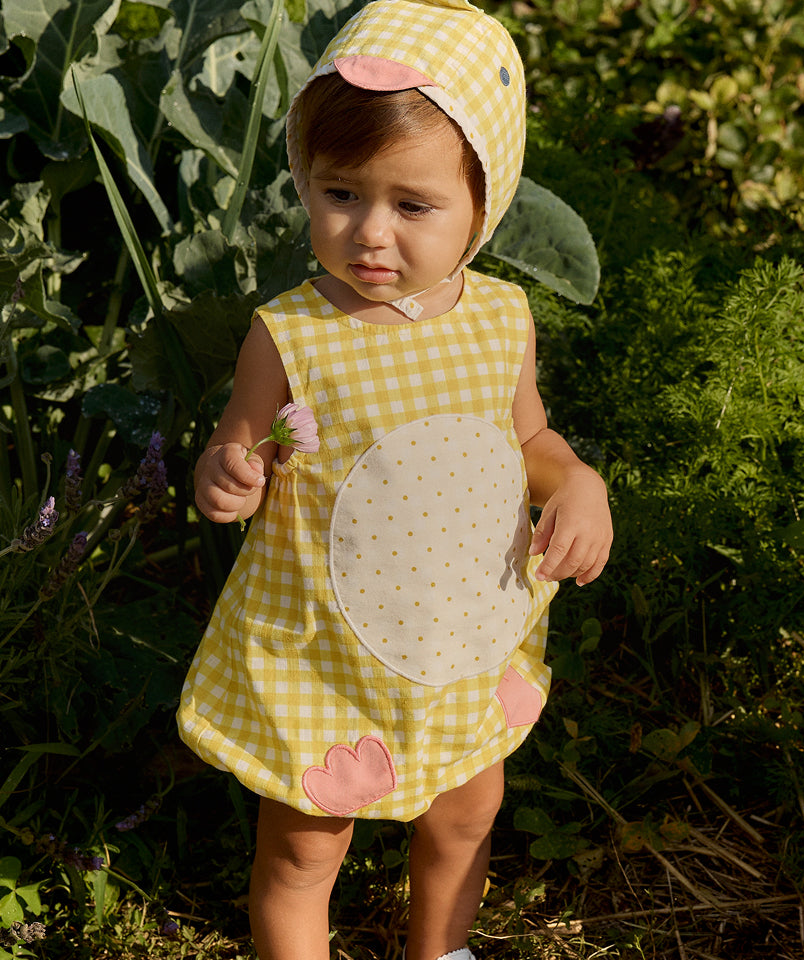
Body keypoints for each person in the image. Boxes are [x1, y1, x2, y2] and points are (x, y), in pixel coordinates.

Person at [177, 1, 613, 957]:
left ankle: (440, 949)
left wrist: (576, 479)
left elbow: (526, 437)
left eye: (413, 207)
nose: (371, 233)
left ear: (481, 205)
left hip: (462, 637)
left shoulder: (502, 319)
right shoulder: (290, 333)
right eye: (339, 195)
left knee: (465, 816)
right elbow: (236, 444)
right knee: (303, 848)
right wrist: (230, 473)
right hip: (325, 650)